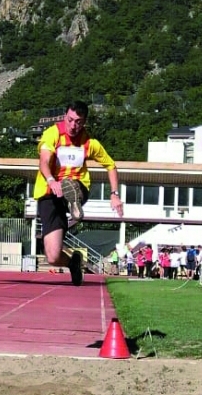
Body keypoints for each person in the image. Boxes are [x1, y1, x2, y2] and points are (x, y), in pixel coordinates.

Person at [33, 100, 124, 286]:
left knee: (71, 185)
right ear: (65, 117)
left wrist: (114, 193)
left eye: (79, 122)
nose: (73, 125)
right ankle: (73, 262)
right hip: (50, 194)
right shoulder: (52, 134)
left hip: (78, 186)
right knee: (52, 256)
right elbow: (44, 161)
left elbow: (111, 165)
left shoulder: (90, 143)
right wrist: (51, 180)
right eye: (70, 120)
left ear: (84, 122)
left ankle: (74, 201)